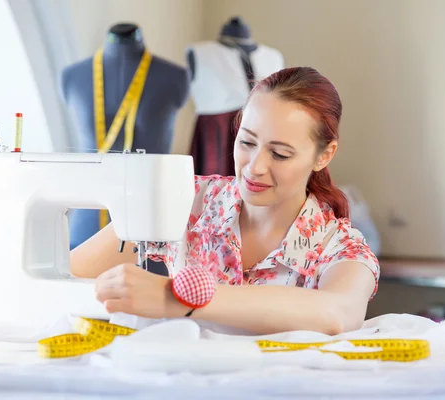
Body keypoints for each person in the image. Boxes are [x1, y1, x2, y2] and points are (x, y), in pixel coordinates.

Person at [70, 67, 380, 336]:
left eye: (280, 154)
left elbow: (337, 313)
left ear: (324, 155)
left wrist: (180, 299)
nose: (254, 166)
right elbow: (69, 273)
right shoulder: (184, 201)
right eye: (246, 142)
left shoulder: (340, 246)